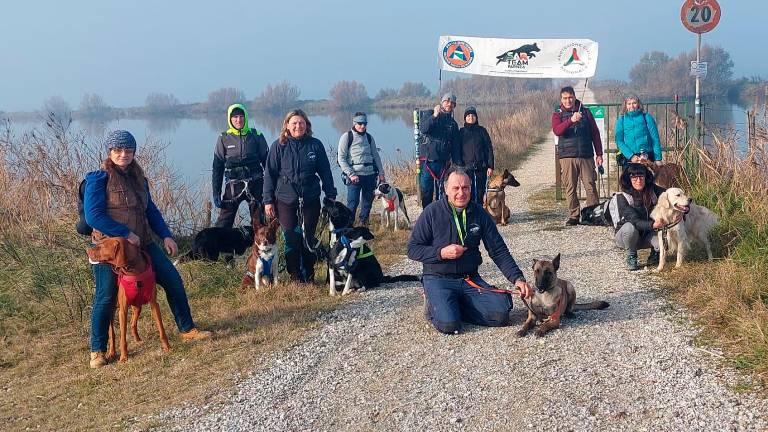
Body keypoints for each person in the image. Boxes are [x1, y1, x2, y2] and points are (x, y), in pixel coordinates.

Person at [84, 130, 211, 368]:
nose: (124, 155)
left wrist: (166, 235)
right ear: (110, 152)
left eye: (128, 150)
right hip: (109, 250)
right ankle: (97, 351)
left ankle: (187, 329)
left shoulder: (139, 179)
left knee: (172, 280)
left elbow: (150, 210)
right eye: (118, 150)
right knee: (106, 295)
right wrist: (125, 233)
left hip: (143, 245)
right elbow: (93, 216)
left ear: (134, 152)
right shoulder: (98, 179)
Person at [406, 169, 532, 334]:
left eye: (465, 188)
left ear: (471, 189)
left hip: (469, 279)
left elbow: (498, 250)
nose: (461, 193)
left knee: (501, 315)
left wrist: (517, 278)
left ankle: (453, 306)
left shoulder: (479, 212)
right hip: (438, 278)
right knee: (449, 326)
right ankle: (434, 304)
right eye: (456, 188)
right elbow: (412, 249)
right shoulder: (431, 212)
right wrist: (441, 253)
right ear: (446, 190)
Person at [263, 109, 337, 282]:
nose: (298, 126)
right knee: (291, 238)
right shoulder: (278, 146)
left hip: (310, 198)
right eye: (294, 123)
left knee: (308, 238)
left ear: (307, 125)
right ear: (287, 125)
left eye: (301, 123)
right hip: (285, 199)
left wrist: (331, 193)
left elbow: (325, 171)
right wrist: (268, 201)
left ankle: (309, 274)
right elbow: (269, 174)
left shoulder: (315, 145)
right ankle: (295, 275)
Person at [552, 85, 604, 226]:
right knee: (570, 187)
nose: (568, 100)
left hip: (586, 155)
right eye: (565, 98)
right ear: (561, 99)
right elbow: (557, 130)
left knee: (590, 185)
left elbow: (595, 134)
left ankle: (593, 214)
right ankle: (574, 215)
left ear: (575, 97)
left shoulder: (586, 112)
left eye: (570, 97)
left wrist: (599, 153)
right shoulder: (557, 114)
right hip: (567, 156)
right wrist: (571, 121)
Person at [211, 103, 270, 227]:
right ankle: (221, 246)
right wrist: (216, 192)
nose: (238, 120)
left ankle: (260, 246)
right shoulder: (224, 138)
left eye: (241, 116)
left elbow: (268, 165)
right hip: (233, 185)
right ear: (230, 119)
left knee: (259, 223)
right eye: (235, 117)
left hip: (256, 183)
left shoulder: (256, 136)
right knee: (224, 222)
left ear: (246, 117)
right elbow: (217, 167)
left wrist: (271, 189)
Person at [612, 163, 667, 271]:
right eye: (634, 177)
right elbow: (635, 221)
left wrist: (683, 206)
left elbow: (669, 195)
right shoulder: (622, 197)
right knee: (630, 228)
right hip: (626, 236)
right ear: (628, 179)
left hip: (648, 234)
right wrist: (653, 224)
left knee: (667, 235)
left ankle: (655, 253)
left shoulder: (653, 191)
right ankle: (632, 255)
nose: (638, 180)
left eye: (641, 176)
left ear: (646, 177)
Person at [337, 112, 385, 225]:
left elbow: (376, 156)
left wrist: (381, 173)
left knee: (367, 202)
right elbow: (341, 159)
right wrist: (351, 174)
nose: (362, 126)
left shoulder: (369, 138)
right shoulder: (346, 137)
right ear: (354, 123)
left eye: (364, 123)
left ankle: (364, 224)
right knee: (352, 202)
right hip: (354, 177)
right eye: (360, 124)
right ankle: (348, 226)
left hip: (370, 175)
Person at [417, 92, 460, 208]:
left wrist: (457, 165)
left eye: (452, 103)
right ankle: (426, 214)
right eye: (447, 101)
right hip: (427, 161)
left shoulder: (453, 124)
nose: (449, 104)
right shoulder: (430, 114)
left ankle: (441, 214)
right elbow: (423, 129)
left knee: (442, 191)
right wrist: (435, 116)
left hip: (443, 163)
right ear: (442, 102)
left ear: (454, 106)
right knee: (426, 190)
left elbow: (455, 145)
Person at [456, 106, 494, 204]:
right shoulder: (461, 132)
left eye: (473, 115)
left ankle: (480, 213)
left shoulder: (482, 131)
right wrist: (460, 165)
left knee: (481, 191)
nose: (471, 117)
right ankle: (469, 213)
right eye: (468, 116)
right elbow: (457, 150)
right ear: (465, 118)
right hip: (466, 168)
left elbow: (489, 148)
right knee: (468, 191)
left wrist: (490, 166)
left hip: (481, 167)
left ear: (476, 117)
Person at [615, 95, 663, 166]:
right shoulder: (621, 120)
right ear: (625, 106)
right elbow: (619, 141)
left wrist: (658, 159)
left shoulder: (647, 117)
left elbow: (655, 139)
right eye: (629, 104)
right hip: (630, 158)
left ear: (638, 104)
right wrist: (631, 156)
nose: (632, 106)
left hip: (647, 157)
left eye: (634, 103)